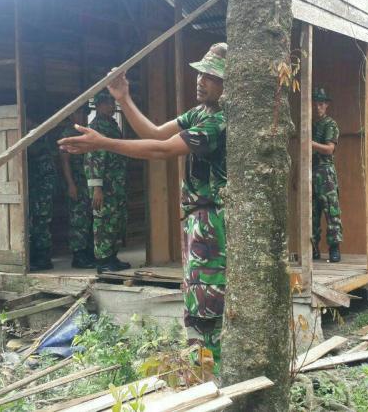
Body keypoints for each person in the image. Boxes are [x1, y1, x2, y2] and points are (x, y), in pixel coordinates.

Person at [59, 42, 227, 371]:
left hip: (212, 219)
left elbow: (162, 150)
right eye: (200, 73)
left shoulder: (218, 121)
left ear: (226, 85)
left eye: (210, 76)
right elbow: (153, 131)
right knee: (195, 293)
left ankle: (213, 372)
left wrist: (103, 143)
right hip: (196, 218)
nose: (201, 80)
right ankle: (202, 367)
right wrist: (124, 97)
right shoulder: (200, 113)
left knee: (208, 300)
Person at [85, 91, 130, 273]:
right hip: (103, 185)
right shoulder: (97, 127)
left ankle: (111, 257)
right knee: (103, 221)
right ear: (99, 105)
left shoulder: (110, 124)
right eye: (108, 103)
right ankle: (103, 261)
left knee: (115, 220)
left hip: (115, 183)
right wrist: (97, 187)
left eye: (112, 102)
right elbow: (94, 158)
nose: (112, 106)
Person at [60, 108, 95, 269]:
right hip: (77, 182)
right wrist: (70, 184)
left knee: (88, 218)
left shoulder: (86, 133)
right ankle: (78, 255)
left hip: (86, 183)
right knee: (78, 219)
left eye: (84, 113)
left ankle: (87, 253)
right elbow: (65, 161)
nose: (82, 116)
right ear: (71, 115)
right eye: (79, 113)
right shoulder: (68, 134)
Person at [311, 87, 343, 263]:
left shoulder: (330, 124)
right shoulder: (310, 125)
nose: (318, 107)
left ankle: (334, 248)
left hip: (325, 172)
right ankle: (313, 248)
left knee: (331, 210)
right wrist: (295, 175)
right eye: (315, 104)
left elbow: (330, 149)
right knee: (312, 213)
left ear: (327, 105)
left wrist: (310, 143)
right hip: (310, 171)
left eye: (321, 104)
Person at [27, 116, 58, 272]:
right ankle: (38, 257)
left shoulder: (40, 136)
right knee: (36, 224)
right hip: (37, 188)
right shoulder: (36, 134)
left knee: (41, 224)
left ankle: (43, 259)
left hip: (43, 189)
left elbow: (34, 150)